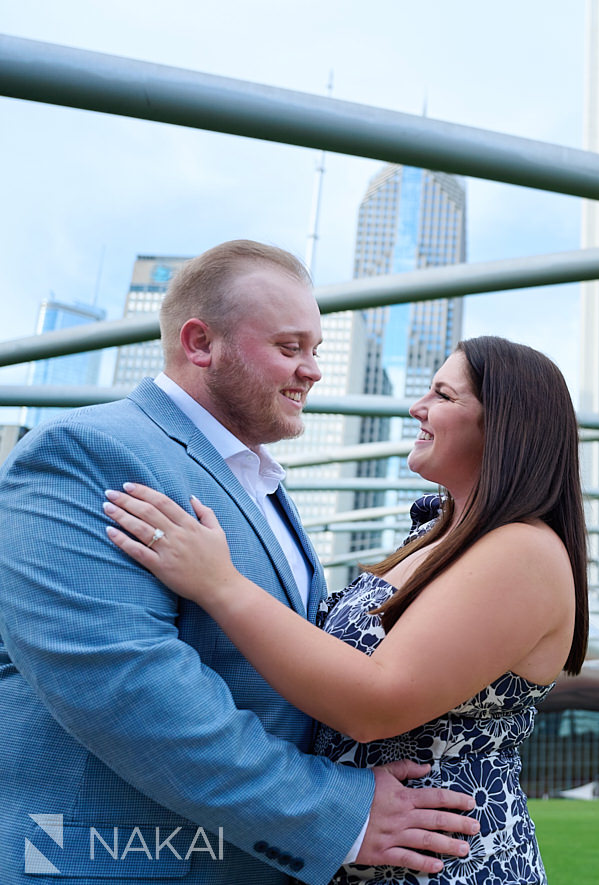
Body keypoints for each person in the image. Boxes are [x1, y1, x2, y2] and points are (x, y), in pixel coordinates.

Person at [0, 240, 477, 885]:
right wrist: (339, 812)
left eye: (316, 351)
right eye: (289, 348)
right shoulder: (89, 450)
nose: (312, 371)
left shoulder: (259, 480)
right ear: (201, 344)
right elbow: (126, 685)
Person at [104, 335, 590, 884]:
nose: (417, 407)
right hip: (370, 852)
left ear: (505, 427)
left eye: (444, 396)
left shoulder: (521, 550)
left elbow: (377, 703)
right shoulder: (438, 536)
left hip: (443, 863)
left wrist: (219, 583)